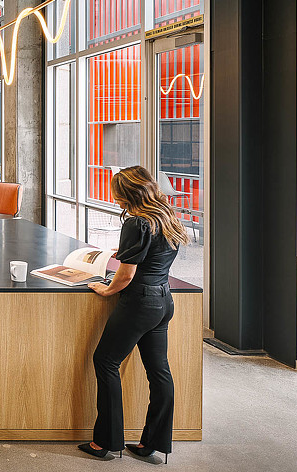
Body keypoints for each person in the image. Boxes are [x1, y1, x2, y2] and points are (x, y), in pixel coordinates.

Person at [78, 165, 189, 463]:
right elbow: (154, 256)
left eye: (117, 193)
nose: (114, 198)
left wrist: (107, 290)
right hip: (163, 301)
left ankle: (107, 443)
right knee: (159, 371)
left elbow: (125, 277)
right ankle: (153, 445)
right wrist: (127, 252)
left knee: (105, 361)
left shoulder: (137, 223)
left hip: (139, 302)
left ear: (129, 194)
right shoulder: (166, 216)